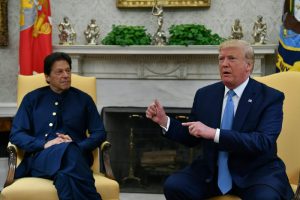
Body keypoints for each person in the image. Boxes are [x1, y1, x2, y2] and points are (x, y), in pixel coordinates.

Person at [146, 40, 294, 199]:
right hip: (212, 171)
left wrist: (214, 133)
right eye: (221, 59)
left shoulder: (269, 97)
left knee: (265, 197)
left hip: (255, 172)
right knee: (174, 186)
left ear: (248, 65)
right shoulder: (205, 95)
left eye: (231, 58)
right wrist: (165, 121)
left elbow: (262, 141)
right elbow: (192, 135)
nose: (224, 64)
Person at [10, 52, 105, 200]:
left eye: (68, 70)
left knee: (64, 177)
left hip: (77, 154)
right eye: (59, 72)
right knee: (70, 153)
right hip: (41, 158)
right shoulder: (32, 99)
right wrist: (45, 144)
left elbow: (99, 132)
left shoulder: (84, 99)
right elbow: (16, 134)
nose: (66, 75)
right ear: (47, 77)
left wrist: (77, 145)